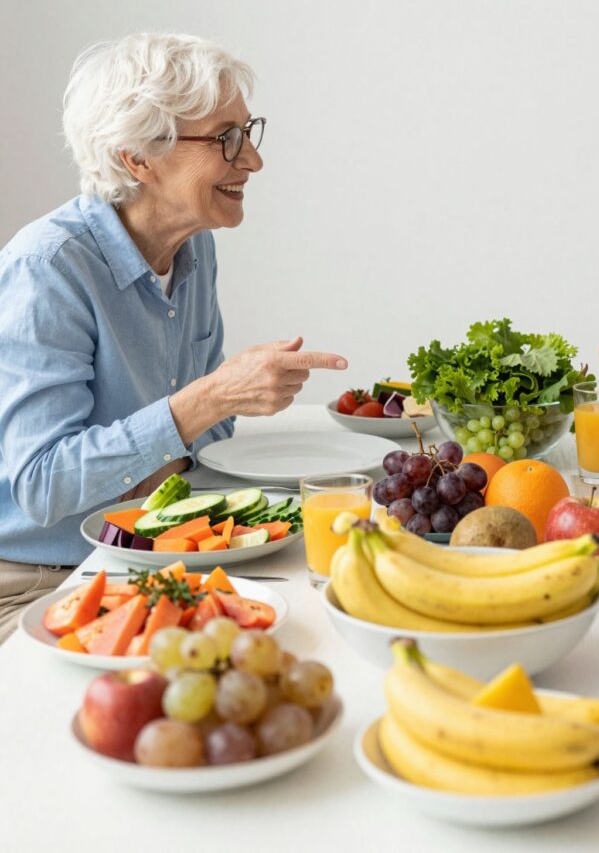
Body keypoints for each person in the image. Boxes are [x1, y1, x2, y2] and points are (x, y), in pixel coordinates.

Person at [0, 33, 347, 641]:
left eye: (248, 131)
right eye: (225, 138)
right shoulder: (48, 267)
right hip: (38, 580)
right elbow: (44, 485)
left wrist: (212, 406)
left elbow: (208, 434)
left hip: (144, 556)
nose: (253, 160)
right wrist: (211, 397)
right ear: (139, 158)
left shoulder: (193, 246)